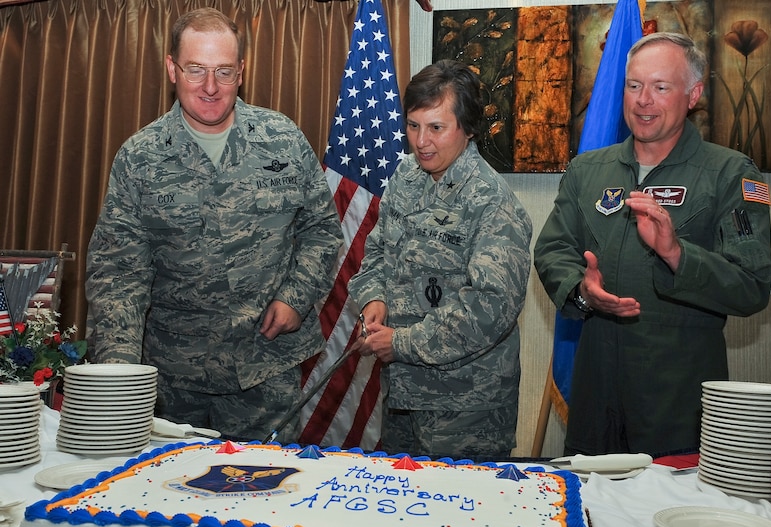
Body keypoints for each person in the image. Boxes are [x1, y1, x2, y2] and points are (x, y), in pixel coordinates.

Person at [85, 8, 342, 443]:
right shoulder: (140, 158)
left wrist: (296, 298)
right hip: (173, 381)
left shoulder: (281, 138)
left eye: (224, 71)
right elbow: (117, 274)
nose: (210, 87)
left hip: (264, 372)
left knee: (265, 500)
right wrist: (120, 373)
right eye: (195, 70)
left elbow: (321, 229)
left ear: (242, 71)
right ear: (172, 68)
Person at [533, 32, 771, 458]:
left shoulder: (730, 174)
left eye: (661, 87)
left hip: (677, 401)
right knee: (587, 516)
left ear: (693, 94)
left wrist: (677, 254)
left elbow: (751, 286)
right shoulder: (588, 170)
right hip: (595, 393)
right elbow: (553, 248)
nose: (643, 100)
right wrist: (580, 290)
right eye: (634, 86)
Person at [348, 60, 533, 460]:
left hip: (466, 410)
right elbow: (377, 252)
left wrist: (403, 343)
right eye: (413, 126)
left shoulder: (491, 201)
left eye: (436, 127)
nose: (421, 141)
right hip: (403, 395)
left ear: (467, 128)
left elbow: (490, 307)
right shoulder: (406, 179)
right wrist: (373, 299)